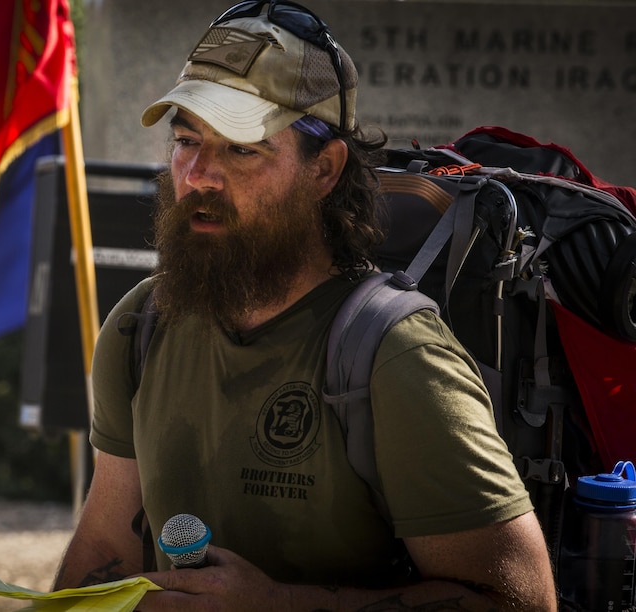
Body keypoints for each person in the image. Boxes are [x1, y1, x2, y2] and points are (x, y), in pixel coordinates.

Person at [51, 1, 557, 609]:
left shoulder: (395, 359)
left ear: (324, 168)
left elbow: (521, 601)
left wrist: (275, 604)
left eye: (243, 149)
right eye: (186, 140)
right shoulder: (140, 328)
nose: (199, 175)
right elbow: (105, 546)